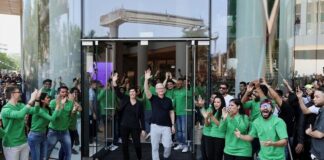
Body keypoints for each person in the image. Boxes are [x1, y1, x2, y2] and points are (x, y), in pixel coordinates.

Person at [112, 73, 145, 160]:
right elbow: (118, 92)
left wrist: (144, 129)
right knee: (125, 145)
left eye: (133, 91)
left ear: (136, 93)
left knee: (137, 144)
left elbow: (142, 117)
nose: (132, 93)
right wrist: (114, 81)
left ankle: (139, 158)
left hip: (135, 126)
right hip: (124, 126)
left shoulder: (139, 104)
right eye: (130, 92)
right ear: (128, 93)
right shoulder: (125, 98)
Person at [144, 69, 175, 160]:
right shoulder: (153, 98)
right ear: (156, 90)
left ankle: (165, 156)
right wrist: (146, 79)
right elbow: (146, 90)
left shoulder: (168, 100)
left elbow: (171, 112)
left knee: (168, 145)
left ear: (164, 89)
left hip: (166, 126)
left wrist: (173, 125)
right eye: (158, 88)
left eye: (162, 88)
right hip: (155, 126)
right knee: (155, 147)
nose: (160, 89)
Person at [1, 86, 39, 160]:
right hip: (11, 144)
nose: (20, 94)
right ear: (13, 94)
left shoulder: (20, 105)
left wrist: (37, 100)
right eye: (18, 92)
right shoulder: (5, 109)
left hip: (23, 141)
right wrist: (31, 100)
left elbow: (35, 111)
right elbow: (19, 115)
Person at [28, 92, 62, 160]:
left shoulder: (47, 109)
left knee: (43, 157)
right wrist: (57, 107)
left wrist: (60, 106)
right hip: (35, 136)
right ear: (42, 100)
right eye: (47, 97)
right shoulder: (39, 110)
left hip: (43, 135)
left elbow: (56, 116)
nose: (49, 99)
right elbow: (52, 119)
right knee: (36, 158)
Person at [47, 86, 77, 160]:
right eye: (62, 92)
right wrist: (62, 105)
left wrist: (73, 111)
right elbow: (54, 117)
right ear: (58, 93)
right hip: (53, 131)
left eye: (66, 92)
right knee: (47, 151)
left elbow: (70, 116)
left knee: (68, 153)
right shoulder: (53, 102)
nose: (64, 93)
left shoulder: (70, 103)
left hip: (65, 131)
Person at [305, 87, 324, 160]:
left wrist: (310, 133)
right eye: (314, 96)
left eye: (317, 97)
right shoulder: (321, 110)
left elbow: (320, 134)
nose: (314, 99)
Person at [205, 94, 226, 160]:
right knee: (210, 156)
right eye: (214, 102)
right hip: (211, 136)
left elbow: (220, 125)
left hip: (220, 137)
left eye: (218, 102)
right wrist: (206, 118)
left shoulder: (224, 112)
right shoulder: (214, 111)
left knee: (217, 157)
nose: (216, 104)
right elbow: (207, 125)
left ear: (222, 103)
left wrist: (211, 116)